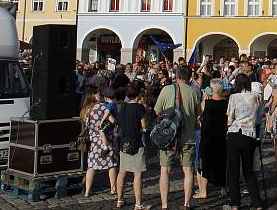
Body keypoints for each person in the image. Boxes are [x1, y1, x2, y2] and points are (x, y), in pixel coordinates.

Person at [154, 64, 202, 210]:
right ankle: (186, 203)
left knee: (165, 170)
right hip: (188, 136)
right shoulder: (194, 92)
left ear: (177, 75)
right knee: (188, 171)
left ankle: (164, 205)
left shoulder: (167, 89)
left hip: (168, 136)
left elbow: (157, 111)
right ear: (189, 77)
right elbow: (198, 117)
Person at [225, 73, 265, 210]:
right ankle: (257, 202)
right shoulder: (257, 97)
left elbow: (229, 118)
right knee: (249, 171)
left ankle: (235, 203)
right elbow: (260, 117)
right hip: (249, 135)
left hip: (235, 133)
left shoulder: (233, 97)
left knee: (233, 170)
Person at [116, 80, 149, 210]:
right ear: (139, 95)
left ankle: (119, 199)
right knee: (138, 174)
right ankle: (138, 204)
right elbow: (144, 125)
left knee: (122, 172)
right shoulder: (140, 108)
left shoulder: (122, 107)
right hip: (137, 141)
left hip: (124, 141)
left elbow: (118, 122)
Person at [81, 87, 119, 197]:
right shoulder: (102, 107)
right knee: (111, 164)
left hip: (93, 140)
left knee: (92, 166)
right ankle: (113, 188)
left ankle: (87, 191)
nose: (100, 95)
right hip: (107, 138)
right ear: (93, 95)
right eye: (98, 94)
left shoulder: (86, 109)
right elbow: (112, 121)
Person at [196, 78, 228, 200]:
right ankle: (224, 188)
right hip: (221, 136)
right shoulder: (226, 103)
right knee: (222, 161)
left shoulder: (207, 103)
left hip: (208, 136)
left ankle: (203, 191)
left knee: (205, 163)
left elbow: (199, 118)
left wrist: (204, 98)